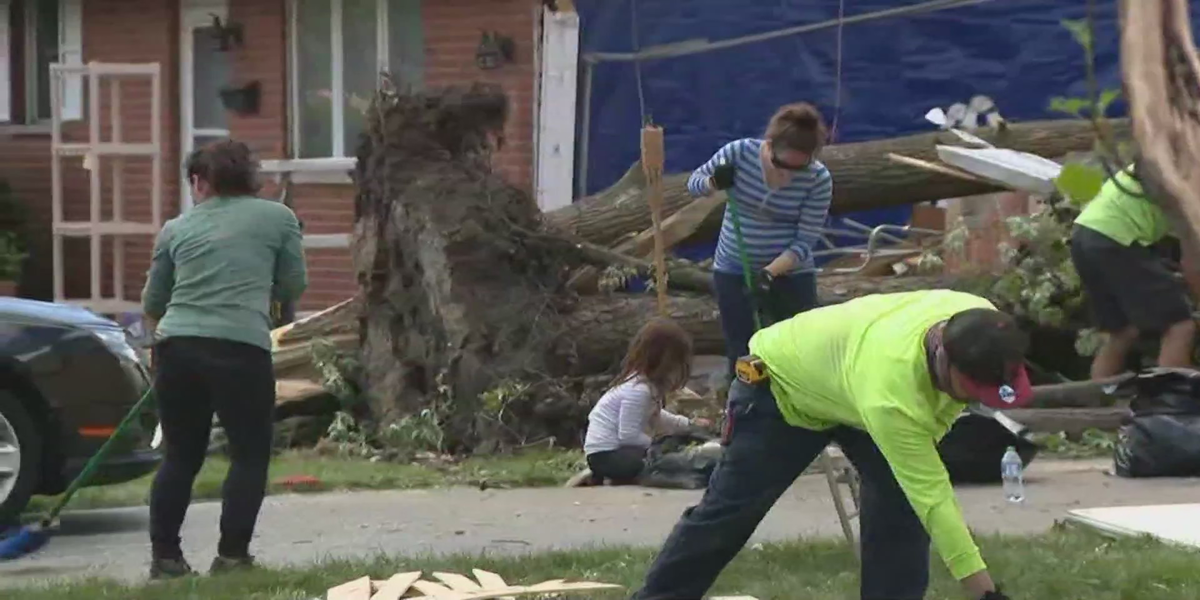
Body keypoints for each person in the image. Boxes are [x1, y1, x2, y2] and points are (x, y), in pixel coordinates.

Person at [630, 290, 1031, 600]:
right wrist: (986, 592)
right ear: (945, 359)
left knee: (900, 511)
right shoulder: (892, 395)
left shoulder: (979, 317)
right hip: (782, 389)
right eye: (973, 391)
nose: (977, 402)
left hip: (852, 380)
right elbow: (934, 497)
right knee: (730, 512)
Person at [141, 139, 307, 579]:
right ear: (250, 177)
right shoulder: (278, 218)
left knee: (180, 456)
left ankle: (166, 560)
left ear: (199, 181)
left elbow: (153, 299)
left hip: (177, 347)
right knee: (249, 454)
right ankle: (232, 558)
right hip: (241, 348)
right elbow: (293, 284)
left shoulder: (176, 229)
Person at [686, 102, 834, 377]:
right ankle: (743, 410)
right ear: (769, 145)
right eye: (781, 164)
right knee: (742, 349)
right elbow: (694, 183)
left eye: (798, 169)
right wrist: (713, 183)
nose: (787, 175)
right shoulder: (739, 153)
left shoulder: (818, 179)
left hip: (789, 274)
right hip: (733, 268)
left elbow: (805, 240)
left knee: (798, 346)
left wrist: (769, 274)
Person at [1070, 163, 1200, 379]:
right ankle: (1171, 403)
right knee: (1179, 326)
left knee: (1123, 330)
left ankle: (1100, 399)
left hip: (1085, 235)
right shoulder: (1186, 175)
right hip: (1117, 238)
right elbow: (1192, 262)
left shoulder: (1158, 155)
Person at [583, 319, 713, 484]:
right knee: (660, 458)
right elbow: (628, 436)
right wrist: (656, 443)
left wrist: (688, 424)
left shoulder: (647, 388)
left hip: (616, 452)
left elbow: (657, 416)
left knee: (667, 447)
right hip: (607, 456)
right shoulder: (638, 391)